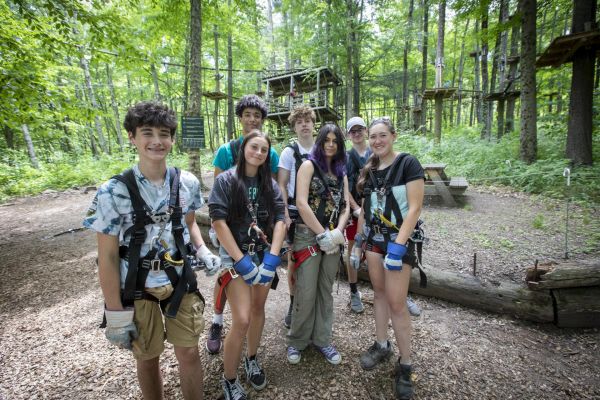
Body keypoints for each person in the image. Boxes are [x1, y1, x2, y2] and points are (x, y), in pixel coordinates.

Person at [83, 101, 220, 400]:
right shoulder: (113, 191)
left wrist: (202, 248)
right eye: (147, 133)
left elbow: (189, 223)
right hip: (136, 285)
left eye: (164, 133)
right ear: (132, 137)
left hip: (179, 279)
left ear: (172, 138)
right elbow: (106, 257)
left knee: (188, 353)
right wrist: (115, 312)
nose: (157, 141)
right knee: (147, 358)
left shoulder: (186, 183)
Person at [208, 130, 286, 400]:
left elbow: (279, 219)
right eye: (254, 147)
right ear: (243, 150)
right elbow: (218, 222)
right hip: (235, 257)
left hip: (263, 254)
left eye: (264, 150)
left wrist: (272, 258)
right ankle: (229, 378)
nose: (259, 153)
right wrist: (241, 262)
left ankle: (251, 358)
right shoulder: (227, 181)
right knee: (241, 319)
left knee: (257, 310)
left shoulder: (270, 184)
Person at [355, 117, 425, 400]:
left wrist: (398, 247)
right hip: (374, 241)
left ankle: (405, 364)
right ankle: (382, 344)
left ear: (393, 136)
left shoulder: (408, 164)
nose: (377, 141)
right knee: (380, 294)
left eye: (382, 135)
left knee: (398, 302)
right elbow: (364, 208)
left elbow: (415, 207)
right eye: (373, 137)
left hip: (398, 242)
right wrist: (358, 241)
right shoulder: (369, 169)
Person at [206, 94, 280, 355]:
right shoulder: (226, 151)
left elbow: (270, 190)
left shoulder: (269, 152)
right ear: (240, 118)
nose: (252, 120)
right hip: (229, 223)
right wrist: (218, 225)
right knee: (227, 273)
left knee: (253, 287)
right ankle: (216, 320)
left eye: (257, 116)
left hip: (257, 227)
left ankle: (248, 347)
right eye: (247, 115)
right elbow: (218, 187)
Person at [286, 122, 350, 365]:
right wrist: (321, 233)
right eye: (326, 140)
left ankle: (323, 339)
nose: (330, 145)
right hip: (307, 235)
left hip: (333, 237)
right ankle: (297, 340)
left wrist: (337, 233)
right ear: (320, 142)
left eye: (335, 141)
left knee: (326, 289)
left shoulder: (342, 172)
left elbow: (345, 205)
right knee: (306, 288)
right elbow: (301, 202)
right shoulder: (307, 166)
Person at [346, 117, 422, 317]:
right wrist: (355, 209)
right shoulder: (348, 158)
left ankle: (401, 295)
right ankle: (354, 291)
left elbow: (413, 206)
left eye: (359, 130)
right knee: (354, 253)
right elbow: (345, 186)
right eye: (352, 131)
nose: (356, 134)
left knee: (397, 266)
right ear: (348, 134)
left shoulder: (385, 155)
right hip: (360, 213)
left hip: (388, 218)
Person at [277, 105, 316, 328]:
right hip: (294, 210)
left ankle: (314, 305)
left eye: (307, 120)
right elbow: (281, 184)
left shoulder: (322, 149)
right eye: (299, 121)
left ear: (313, 123)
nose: (304, 124)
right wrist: (284, 213)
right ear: (294, 126)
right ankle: (293, 303)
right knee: (294, 259)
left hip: (319, 210)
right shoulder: (289, 152)